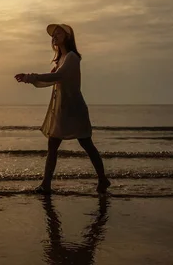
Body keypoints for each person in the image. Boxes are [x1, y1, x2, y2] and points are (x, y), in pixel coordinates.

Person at [14, 24, 110, 194]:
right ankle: (46, 184)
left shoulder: (72, 57)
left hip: (74, 108)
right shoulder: (60, 60)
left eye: (58, 33)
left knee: (86, 144)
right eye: (53, 34)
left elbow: (58, 76)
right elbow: (51, 80)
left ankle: (102, 179)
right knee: (52, 145)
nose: (55, 36)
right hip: (61, 109)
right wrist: (31, 79)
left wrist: (31, 77)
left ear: (67, 37)